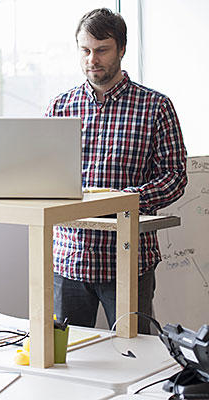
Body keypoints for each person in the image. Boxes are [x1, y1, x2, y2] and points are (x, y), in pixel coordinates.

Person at [45, 8, 187, 334]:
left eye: (101, 50)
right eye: (85, 50)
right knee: (65, 360)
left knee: (134, 357)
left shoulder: (156, 107)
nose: (91, 59)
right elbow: (48, 176)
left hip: (127, 260)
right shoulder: (59, 108)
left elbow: (175, 176)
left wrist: (127, 199)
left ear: (121, 49)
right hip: (69, 257)